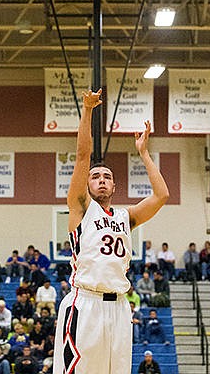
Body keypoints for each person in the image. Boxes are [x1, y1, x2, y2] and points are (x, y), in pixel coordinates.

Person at [53, 89, 169, 374]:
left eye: (107, 177)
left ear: (115, 187)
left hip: (118, 306)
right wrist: (88, 110)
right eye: (96, 177)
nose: (101, 180)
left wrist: (143, 153)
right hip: (86, 303)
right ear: (88, 185)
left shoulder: (125, 216)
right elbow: (83, 157)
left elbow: (162, 195)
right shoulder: (81, 207)